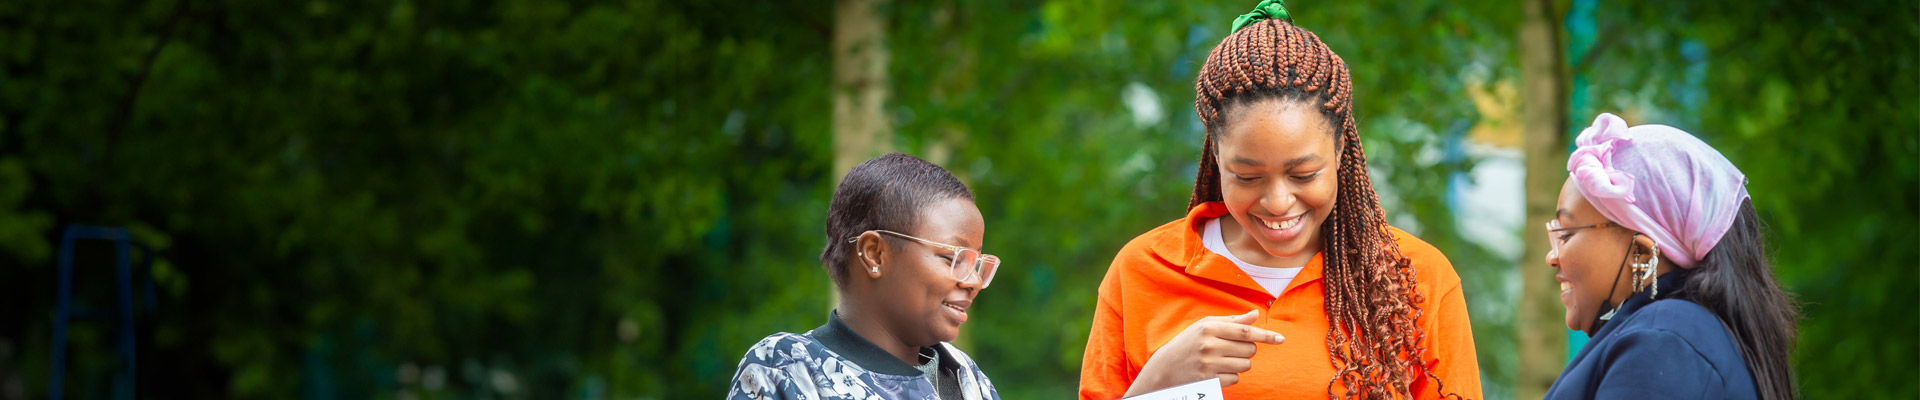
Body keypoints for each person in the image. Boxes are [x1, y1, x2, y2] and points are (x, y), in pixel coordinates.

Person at [1077, 1, 1481, 398]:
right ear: (1216, 158)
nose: (1277, 201)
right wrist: (1156, 382)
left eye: (1303, 174)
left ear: (1341, 151)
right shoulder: (1142, 271)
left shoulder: (1415, 278)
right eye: (1248, 176)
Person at [1544, 113, 1798, 399]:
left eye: (1565, 234)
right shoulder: (1679, 337)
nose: (1551, 257)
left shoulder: (1663, 341)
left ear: (1640, 254)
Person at [729, 153, 1001, 400]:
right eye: (952, 258)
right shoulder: (786, 368)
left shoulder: (967, 377)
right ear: (874, 254)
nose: (974, 282)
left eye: (976, 263)